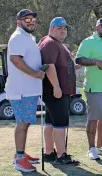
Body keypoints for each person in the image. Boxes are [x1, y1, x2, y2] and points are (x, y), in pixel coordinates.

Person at [38, 17, 79, 165]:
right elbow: (49, 65)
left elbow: (65, 65)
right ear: (51, 29)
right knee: (60, 123)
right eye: (59, 28)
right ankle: (62, 155)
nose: (62, 31)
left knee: (51, 122)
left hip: (58, 90)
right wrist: (56, 86)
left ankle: (49, 153)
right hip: (56, 91)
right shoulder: (49, 43)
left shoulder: (57, 43)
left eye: (64, 28)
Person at [75, 17, 102, 160]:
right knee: (93, 118)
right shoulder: (88, 42)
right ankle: (91, 148)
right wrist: (95, 62)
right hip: (94, 87)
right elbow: (79, 59)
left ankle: (101, 146)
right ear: (97, 28)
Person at [7, 9, 44, 172]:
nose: (30, 21)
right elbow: (15, 59)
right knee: (22, 124)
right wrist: (35, 73)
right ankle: (19, 160)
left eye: (32, 19)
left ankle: (20, 154)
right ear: (18, 22)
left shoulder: (28, 37)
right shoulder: (17, 37)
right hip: (21, 90)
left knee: (26, 123)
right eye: (26, 19)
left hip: (29, 90)